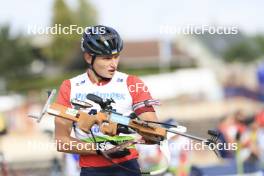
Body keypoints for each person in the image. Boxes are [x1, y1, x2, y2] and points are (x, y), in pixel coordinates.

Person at [55, 25, 159, 176]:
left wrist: (131, 128)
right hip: (92, 170)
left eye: (116, 56)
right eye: (107, 58)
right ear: (88, 57)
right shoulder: (69, 87)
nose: (113, 64)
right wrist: (100, 149)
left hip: (128, 167)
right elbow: (61, 141)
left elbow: (155, 130)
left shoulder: (132, 83)